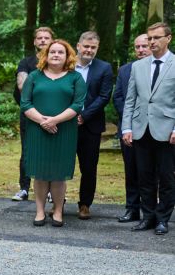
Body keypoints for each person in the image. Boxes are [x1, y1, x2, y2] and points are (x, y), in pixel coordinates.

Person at [20, 39, 86, 227]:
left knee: (58, 174)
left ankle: (58, 210)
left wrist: (55, 120)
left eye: (60, 52)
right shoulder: (34, 76)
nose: (56, 55)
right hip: (37, 130)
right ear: (46, 55)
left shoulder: (75, 78)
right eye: (52, 52)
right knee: (40, 173)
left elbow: (77, 104)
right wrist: (43, 121)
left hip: (64, 131)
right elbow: (25, 103)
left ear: (67, 56)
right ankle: (40, 211)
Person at [122, 22, 175, 235]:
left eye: (156, 38)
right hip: (141, 129)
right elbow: (130, 99)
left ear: (168, 38)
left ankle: (163, 219)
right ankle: (148, 217)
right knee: (144, 177)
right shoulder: (138, 66)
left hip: (167, 130)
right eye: (149, 38)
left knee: (167, 177)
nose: (152, 42)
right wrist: (126, 127)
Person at [73, 31, 114, 219]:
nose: (89, 50)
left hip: (91, 126)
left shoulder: (104, 68)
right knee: (60, 166)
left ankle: (85, 204)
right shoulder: (66, 65)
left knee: (89, 168)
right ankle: (58, 202)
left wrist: (84, 116)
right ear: (78, 46)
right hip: (65, 124)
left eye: (93, 47)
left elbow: (104, 96)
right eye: (86, 46)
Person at [114, 34, 152, 223]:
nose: (141, 50)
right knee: (131, 170)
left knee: (152, 172)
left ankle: (151, 211)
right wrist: (131, 120)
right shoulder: (125, 70)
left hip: (154, 129)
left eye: (144, 46)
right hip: (129, 129)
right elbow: (118, 97)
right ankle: (132, 209)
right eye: (137, 47)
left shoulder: (162, 69)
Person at [13, 27, 54, 200]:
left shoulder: (58, 61)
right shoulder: (26, 63)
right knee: (27, 151)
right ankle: (24, 188)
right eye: (39, 38)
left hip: (54, 115)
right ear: (35, 42)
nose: (43, 40)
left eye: (46, 38)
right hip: (29, 114)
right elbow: (22, 87)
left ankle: (51, 190)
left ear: (52, 41)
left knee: (50, 152)